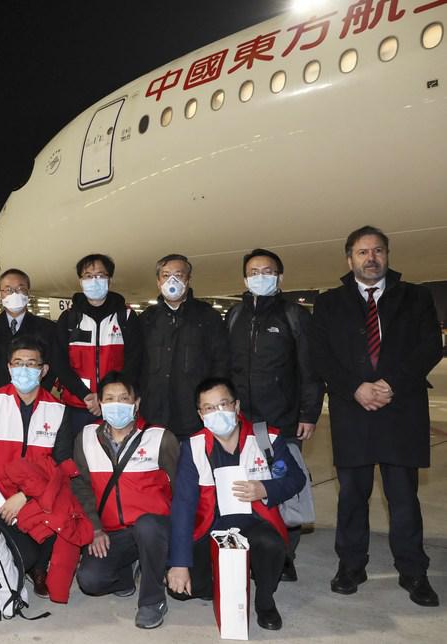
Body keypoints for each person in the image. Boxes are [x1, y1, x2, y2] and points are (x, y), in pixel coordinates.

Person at [311, 225, 441, 607]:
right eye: (363, 252)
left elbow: (430, 346)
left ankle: (413, 570)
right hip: (353, 412)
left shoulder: (415, 297)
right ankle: (351, 566)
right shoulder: (329, 302)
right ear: (349, 258)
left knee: (404, 499)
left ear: (387, 255)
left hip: (401, 410)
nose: (371, 258)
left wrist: (391, 384)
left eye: (378, 251)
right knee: (352, 496)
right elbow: (320, 354)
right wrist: (356, 387)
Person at [166, 377, 305, 631]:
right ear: (200, 414)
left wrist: (265, 488)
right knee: (183, 589)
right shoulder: (193, 447)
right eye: (209, 408)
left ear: (237, 406)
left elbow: (295, 478)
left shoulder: (266, 438)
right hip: (211, 529)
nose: (217, 412)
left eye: (223, 404)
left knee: (270, 544)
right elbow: (183, 507)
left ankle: (265, 601)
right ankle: (226, 577)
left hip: (256, 524)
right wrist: (179, 563)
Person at [226, 248, 323, 580]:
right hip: (242, 423)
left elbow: (310, 369)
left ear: (280, 277)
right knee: (247, 485)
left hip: (282, 419)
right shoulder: (235, 316)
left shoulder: (294, 315)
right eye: (253, 272)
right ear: (244, 278)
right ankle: (254, 547)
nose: (260, 277)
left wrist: (309, 413)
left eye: (267, 271)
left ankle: (285, 556)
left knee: (285, 485)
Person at [72, 372, 179, 629]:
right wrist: (95, 528)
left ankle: (153, 601)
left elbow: (181, 490)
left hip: (154, 528)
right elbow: (81, 487)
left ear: (136, 403)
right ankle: (126, 574)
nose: (116, 404)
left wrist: (180, 546)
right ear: (99, 403)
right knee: (90, 580)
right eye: (109, 399)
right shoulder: (86, 437)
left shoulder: (160, 438)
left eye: (123, 398)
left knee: (147, 527)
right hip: (114, 531)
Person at [0, 335, 68, 597]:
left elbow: (60, 465)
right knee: (24, 553)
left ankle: (40, 568)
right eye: (18, 363)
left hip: (37, 499)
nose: (24, 369)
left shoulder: (58, 410)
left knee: (61, 516)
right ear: (9, 367)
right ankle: (29, 560)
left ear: (44, 370)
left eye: (31, 364)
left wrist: (25, 496)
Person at [53, 253, 140, 458]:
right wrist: (86, 395)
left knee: (117, 458)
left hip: (116, 407)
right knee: (79, 458)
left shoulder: (126, 316)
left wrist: (107, 398)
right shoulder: (69, 318)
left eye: (100, 275)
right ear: (80, 281)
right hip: (78, 406)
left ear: (110, 280)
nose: (95, 280)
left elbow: (135, 360)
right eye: (88, 276)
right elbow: (59, 362)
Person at [138, 254, 229, 439]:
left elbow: (221, 363)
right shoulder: (147, 320)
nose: (172, 280)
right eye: (165, 275)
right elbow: (137, 365)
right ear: (158, 282)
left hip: (194, 419)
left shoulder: (207, 317)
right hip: (154, 418)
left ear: (188, 279)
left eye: (178, 275)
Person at [0, 268, 56, 397]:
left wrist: (36, 397)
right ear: (0, 294)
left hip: (33, 399)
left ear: (28, 293)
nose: (14, 294)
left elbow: (51, 368)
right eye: (8, 290)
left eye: (20, 289)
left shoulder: (48, 328)